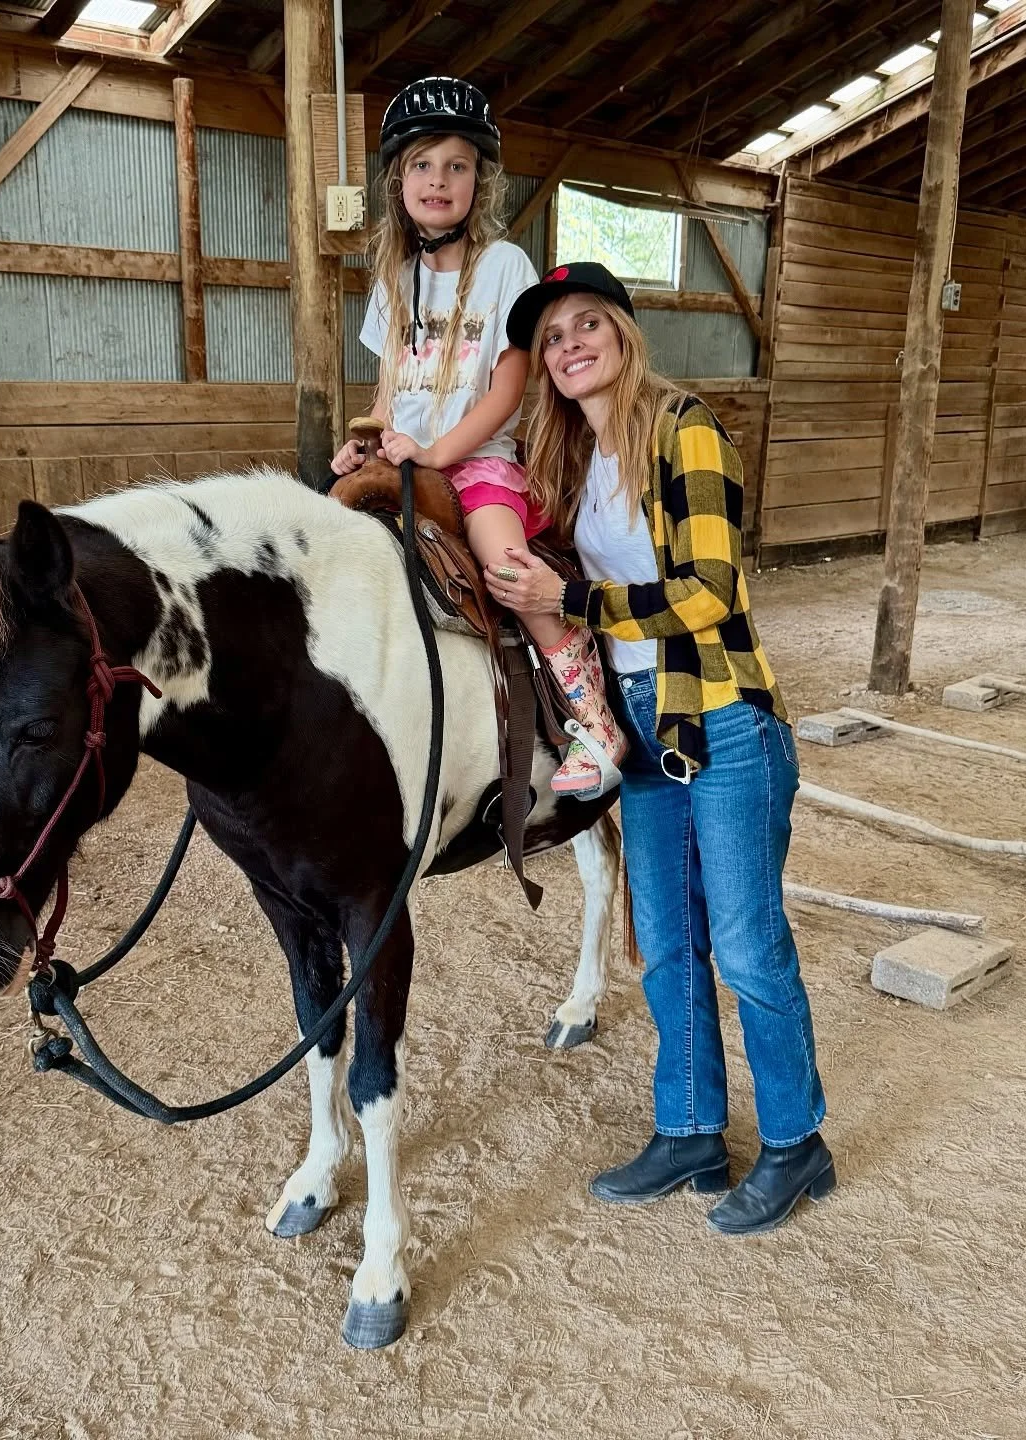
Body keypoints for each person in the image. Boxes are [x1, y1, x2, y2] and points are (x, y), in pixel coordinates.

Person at [492, 261, 832, 1235]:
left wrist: (575, 603)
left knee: (746, 943)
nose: (570, 346)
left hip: (721, 709)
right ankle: (688, 1129)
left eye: (588, 324)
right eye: (553, 338)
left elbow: (712, 590)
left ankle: (796, 1144)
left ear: (625, 332)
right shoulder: (571, 459)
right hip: (639, 719)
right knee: (669, 941)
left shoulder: (683, 429)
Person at [330, 78, 624, 798]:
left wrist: (439, 453)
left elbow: (506, 390)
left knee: (509, 572)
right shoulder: (393, 280)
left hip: (478, 465)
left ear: (478, 182)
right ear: (400, 179)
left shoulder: (503, 268)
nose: (439, 180)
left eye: (457, 166)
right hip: (406, 459)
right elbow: (388, 390)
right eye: (424, 165)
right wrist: (368, 442)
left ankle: (592, 718)